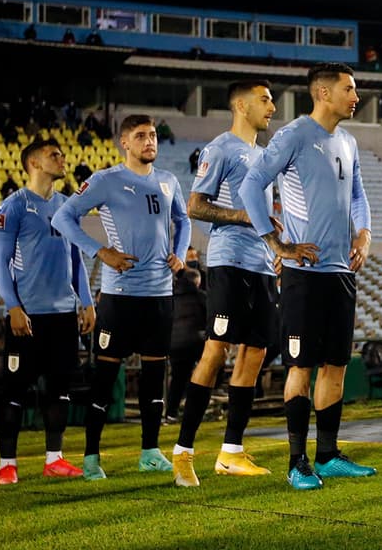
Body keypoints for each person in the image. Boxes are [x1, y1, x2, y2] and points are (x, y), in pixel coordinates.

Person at [240, 63, 374, 491]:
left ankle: (328, 454)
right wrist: (275, 245)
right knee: (300, 366)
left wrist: (365, 234)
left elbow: (358, 195)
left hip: (340, 273)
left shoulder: (349, 141)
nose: (356, 96)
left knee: (335, 365)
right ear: (322, 92)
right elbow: (251, 185)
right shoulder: (294, 134)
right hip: (303, 274)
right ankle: (297, 462)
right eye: (349, 89)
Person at [52, 114, 191, 480]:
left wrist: (180, 250)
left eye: (153, 136)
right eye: (141, 136)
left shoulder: (168, 181)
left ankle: (150, 450)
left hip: (160, 295)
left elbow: (185, 219)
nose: (150, 142)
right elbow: (64, 218)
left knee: (153, 377)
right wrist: (100, 252)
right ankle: (91, 457)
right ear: (124, 143)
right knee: (104, 377)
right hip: (120, 297)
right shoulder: (106, 181)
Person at [171, 80, 282, 487]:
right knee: (216, 350)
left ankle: (231, 452)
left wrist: (278, 249)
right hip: (229, 262)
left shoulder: (265, 156)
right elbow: (195, 206)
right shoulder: (220, 148)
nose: (271, 106)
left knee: (255, 351)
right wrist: (242, 217)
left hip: (262, 265)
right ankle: (183, 452)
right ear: (240, 104)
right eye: (264, 99)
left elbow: (266, 214)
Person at [0, 139, 96, 485]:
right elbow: (0, 264)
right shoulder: (14, 207)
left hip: (64, 316)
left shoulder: (67, 206)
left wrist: (87, 302)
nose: (62, 159)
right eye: (54, 155)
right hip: (28, 317)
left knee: (59, 389)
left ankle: (55, 458)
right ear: (34, 162)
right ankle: (8, 463)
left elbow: (76, 259)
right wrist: (14, 307)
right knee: (15, 390)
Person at [165, 270, 206, 427]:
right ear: (197, 282)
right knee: (204, 375)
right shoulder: (200, 296)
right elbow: (210, 317)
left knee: (177, 379)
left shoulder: (171, 297)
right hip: (195, 342)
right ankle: (195, 411)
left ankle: (171, 413)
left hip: (174, 344)